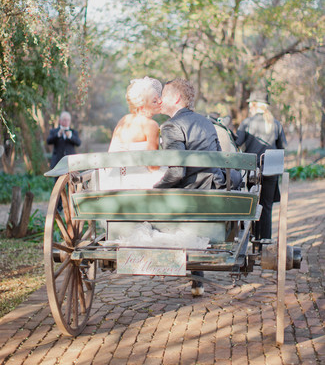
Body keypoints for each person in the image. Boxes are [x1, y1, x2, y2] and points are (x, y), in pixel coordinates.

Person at [152, 78, 237, 296]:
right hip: (213, 190)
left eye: (165, 95)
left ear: (177, 98)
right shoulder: (206, 122)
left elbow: (177, 172)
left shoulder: (170, 125)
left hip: (188, 197)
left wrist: (155, 189)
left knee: (157, 196)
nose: (160, 100)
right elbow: (218, 159)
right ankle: (197, 282)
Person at [235, 90, 287, 241]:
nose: (249, 105)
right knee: (267, 206)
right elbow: (282, 147)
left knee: (253, 204)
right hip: (271, 168)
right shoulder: (276, 124)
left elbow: (237, 144)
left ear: (255, 105)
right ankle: (265, 239)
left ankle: (253, 237)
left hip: (252, 169)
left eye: (251, 103)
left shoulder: (246, 123)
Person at [99, 76, 165, 190]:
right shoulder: (151, 125)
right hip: (138, 181)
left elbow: (111, 154)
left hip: (115, 179)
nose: (160, 101)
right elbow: (153, 165)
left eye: (158, 98)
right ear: (142, 105)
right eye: (154, 100)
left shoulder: (124, 120)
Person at [47, 111, 81, 211]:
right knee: (58, 187)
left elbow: (78, 143)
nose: (66, 122)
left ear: (70, 121)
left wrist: (70, 136)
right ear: (60, 120)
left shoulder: (73, 132)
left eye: (68, 120)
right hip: (57, 164)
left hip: (71, 164)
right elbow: (49, 141)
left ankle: (71, 207)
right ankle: (58, 208)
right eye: (64, 120)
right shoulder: (54, 131)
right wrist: (58, 134)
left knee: (71, 185)